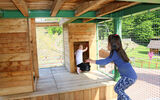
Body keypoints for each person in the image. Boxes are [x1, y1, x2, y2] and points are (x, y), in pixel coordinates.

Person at [86, 34, 137, 100]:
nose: (107, 45)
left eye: (108, 43)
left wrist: (92, 61)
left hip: (128, 77)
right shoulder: (119, 51)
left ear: (112, 45)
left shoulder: (115, 53)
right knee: (120, 90)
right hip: (130, 76)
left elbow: (105, 61)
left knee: (117, 89)